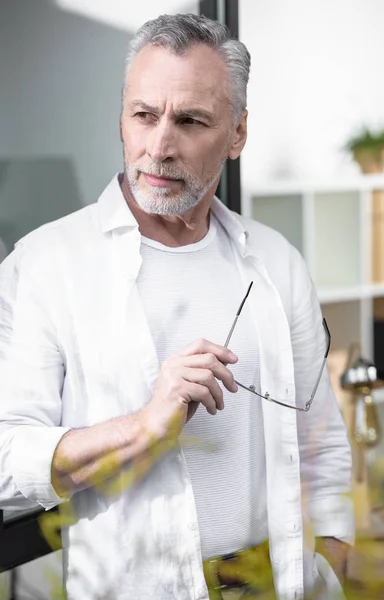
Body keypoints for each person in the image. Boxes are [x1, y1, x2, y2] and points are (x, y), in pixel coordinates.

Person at [0, 13, 354, 600]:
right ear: (122, 117)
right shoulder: (44, 265)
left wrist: (335, 559)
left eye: (190, 121)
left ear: (237, 134)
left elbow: (320, 441)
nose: (159, 146)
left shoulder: (277, 262)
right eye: (144, 115)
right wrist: (141, 428)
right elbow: (7, 458)